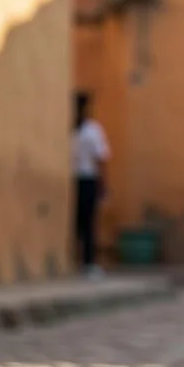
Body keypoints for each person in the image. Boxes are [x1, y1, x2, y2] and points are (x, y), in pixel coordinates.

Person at [72, 92, 109, 278]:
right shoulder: (92, 130)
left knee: (79, 223)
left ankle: (81, 261)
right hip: (86, 180)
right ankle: (86, 263)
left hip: (76, 180)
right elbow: (101, 158)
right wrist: (104, 183)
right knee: (86, 223)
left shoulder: (74, 130)